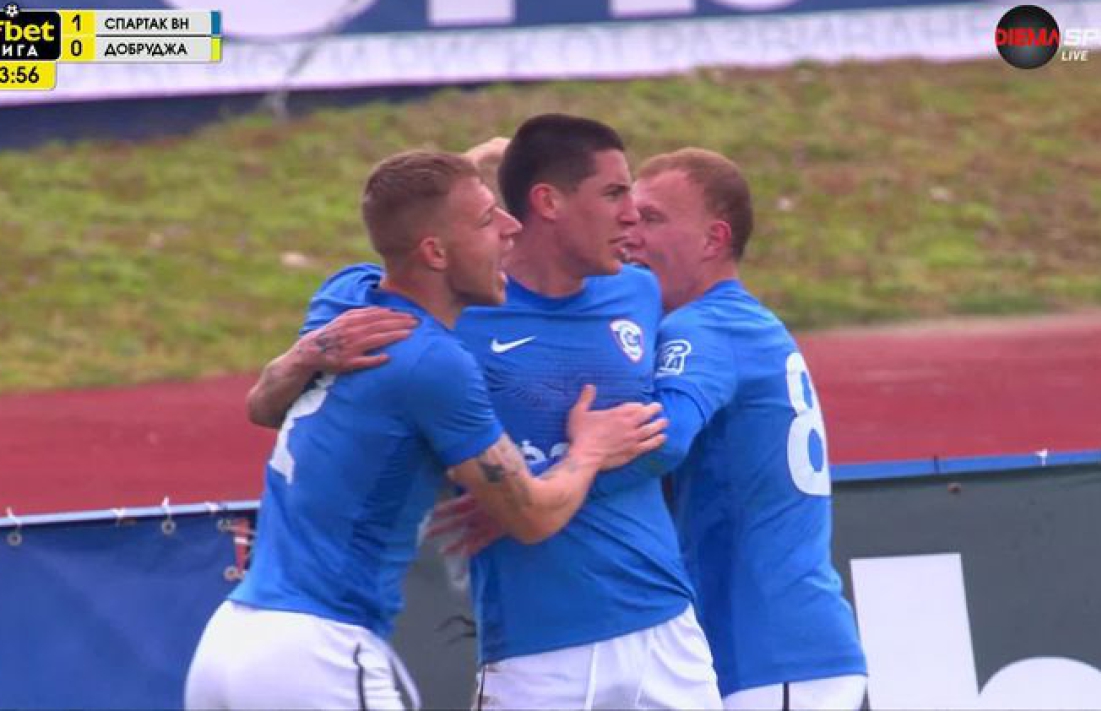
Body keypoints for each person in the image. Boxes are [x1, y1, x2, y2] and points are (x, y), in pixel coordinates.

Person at [245, 116, 723, 709]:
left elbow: (662, 437)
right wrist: (303, 355)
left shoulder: (638, 292)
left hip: (666, 628)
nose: (631, 217)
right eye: (613, 194)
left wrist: (549, 483)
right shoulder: (422, 308)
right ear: (546, 203)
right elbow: (277, 406)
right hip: (534, 651)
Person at [606, 148, 869, 709]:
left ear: (713, 239)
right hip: (785, 652)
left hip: (770, 659)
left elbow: (660, 441)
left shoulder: (702, 329)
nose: (631, 236)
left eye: (651, 218)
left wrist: (541, 477)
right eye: (629, 218)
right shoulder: (740, 322)